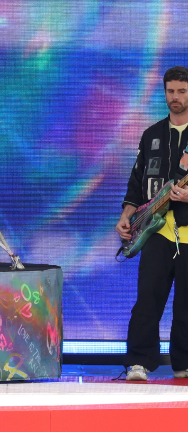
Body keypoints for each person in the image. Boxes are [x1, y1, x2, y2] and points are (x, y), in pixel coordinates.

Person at [116, 66, 188, 381]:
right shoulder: (152, 134)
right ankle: (138, 362)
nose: (175, 97)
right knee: (147, 300)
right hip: (155, 232)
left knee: (186, 305)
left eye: (182, 91)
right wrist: (126, 215)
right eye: (171, 91)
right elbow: (136, 182)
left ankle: (183, 363)